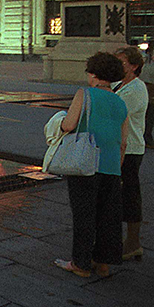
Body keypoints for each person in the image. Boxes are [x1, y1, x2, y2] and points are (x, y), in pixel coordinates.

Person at [55, 52, 129, 279]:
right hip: (112, 165)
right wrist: (118, 167)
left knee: (84, 214)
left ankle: (81, 263)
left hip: (86, 163)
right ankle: (103, 263)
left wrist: (57, 123)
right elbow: (123, 141)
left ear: (94, 74)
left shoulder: (85, 94)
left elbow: (69, 125)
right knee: (108, 216)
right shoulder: (120, 101)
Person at [114, 46, 148, 261]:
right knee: (119, 195)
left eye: (122, 62)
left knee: (130, 195)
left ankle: (134, 242)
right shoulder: (120, 84)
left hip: (131, 149)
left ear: (134, 66)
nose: (118, 66)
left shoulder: (136, 89)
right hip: (118, 147)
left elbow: (116, 113)